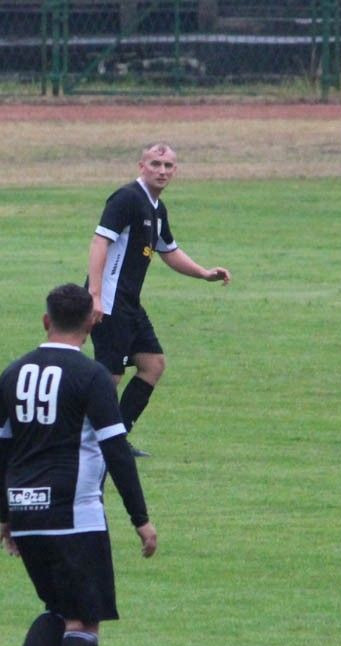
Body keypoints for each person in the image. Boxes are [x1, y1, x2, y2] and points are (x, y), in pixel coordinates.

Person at [0, 283, 158, 646]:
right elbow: (117, 452)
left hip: (24, 509)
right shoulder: (91, 377)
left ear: (45, 320)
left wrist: (5, 515)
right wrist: (139, 518)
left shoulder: (12, 374)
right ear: (91, 323)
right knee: (84, 620)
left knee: (59, 609)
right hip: (75, 512)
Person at [87, 141, 231, 457]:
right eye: (155, 164)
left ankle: (116, 439)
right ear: (142, 167)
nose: (162, 171)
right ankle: (85, 442)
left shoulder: (156, 208)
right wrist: (95, 295)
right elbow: (100, 242)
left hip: (129, 303)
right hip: (110, 301)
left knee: (153, 364)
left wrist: (204, 274)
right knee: (108, 377)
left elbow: (169, 250)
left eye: (168, 166)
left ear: (175, 170)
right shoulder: (127, 198)